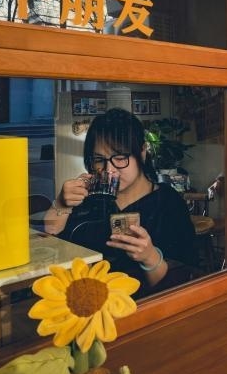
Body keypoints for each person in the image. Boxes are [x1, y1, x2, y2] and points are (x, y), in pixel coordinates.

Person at [44, 108, 197, 297]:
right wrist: (61, 204)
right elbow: (51, 246)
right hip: (85, 302)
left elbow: (183, 282)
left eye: (120, 157)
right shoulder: (90, 198)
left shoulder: (168, 203)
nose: (109, 169)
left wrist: (150, 257)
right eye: (99, 159)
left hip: (142, 307)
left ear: (142, 152)